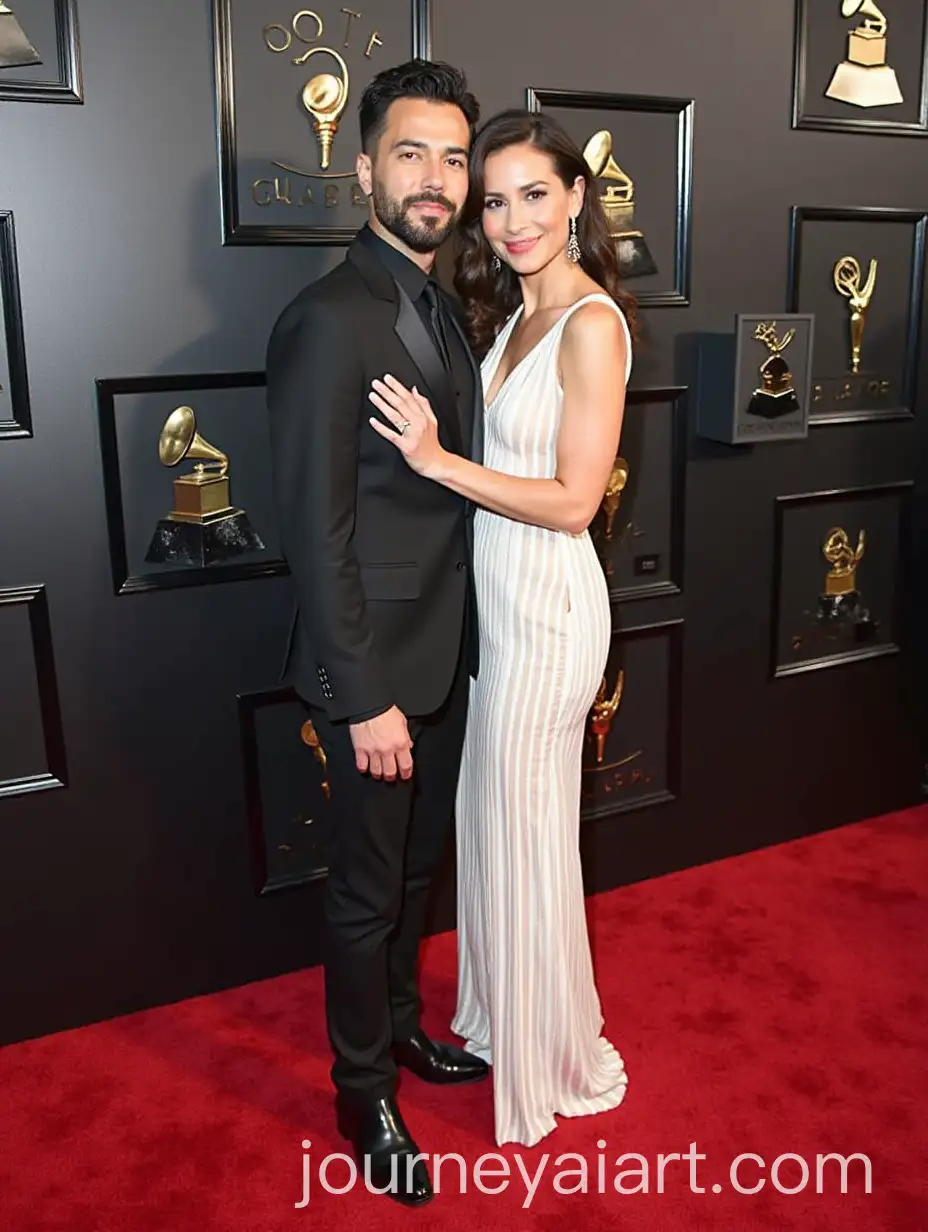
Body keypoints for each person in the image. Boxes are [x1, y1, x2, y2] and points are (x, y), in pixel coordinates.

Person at [368, 107, 636, 1148]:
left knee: (524, 839)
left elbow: (573, 499)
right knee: (491, 835)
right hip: (494, 613)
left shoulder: (591, 324)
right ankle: (501, 1019)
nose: (514, 218)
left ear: (576, 197)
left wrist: (439, 462)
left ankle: (547, 1061)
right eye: (495, 199)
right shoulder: (506, 318)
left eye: (536, 193)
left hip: (548, 608)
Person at [265, 61, 489, 1207]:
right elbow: (315, 527)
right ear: (362, 167)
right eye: (411, 153)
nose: (435, 179)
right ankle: (363, 1093)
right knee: (363, 890)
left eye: (453, 157)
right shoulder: (326, 319)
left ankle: (401, 1034)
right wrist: (363, 695)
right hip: (374, 675)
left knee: (411, 875)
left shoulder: (441, 302)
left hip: (442, 651)